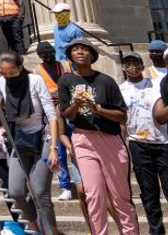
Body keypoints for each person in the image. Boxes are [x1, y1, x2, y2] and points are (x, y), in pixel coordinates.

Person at [0, 52, 59, 235]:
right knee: (16, 191)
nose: (8, 77)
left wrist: (53, 148)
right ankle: (34, 228)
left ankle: (50, 231)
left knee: (40, 192)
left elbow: (51, 115)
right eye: (4, 73)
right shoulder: (1, 83)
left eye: (12, 73)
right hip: (18, 141)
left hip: (42, 139)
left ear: (20, 68)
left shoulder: (35, 81)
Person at [58, 37, 137, 235]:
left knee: (121, 197)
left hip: (110, 140)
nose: (80, 52)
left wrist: (98, 109)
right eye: (75, 49)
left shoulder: (106, 81)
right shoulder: (66, 80)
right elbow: (66, 113)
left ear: (92, 55)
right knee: (93, 195)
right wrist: (76, 104)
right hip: (83, 139)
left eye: (85, 49)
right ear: (70, 56)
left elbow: (122, 116)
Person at [119, 52, 168, 235]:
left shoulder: (155, 84)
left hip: (163, 141)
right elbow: (122, 121)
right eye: (127, 64)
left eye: (135, 63)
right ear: (123, 68)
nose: (132, 67)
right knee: (149, 193)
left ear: (142, 65)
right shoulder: (121, 89)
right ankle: (156, 231)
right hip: (138, 143)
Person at [35, 40, 74, 201]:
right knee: (58, 149)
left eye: (50, 53)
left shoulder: (65, 66)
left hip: (70, 109)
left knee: (76, 145)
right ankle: (65, 185)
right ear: (40, 56)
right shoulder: (37, 72)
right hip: (52, 113)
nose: (48, 57)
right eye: (44, 55)